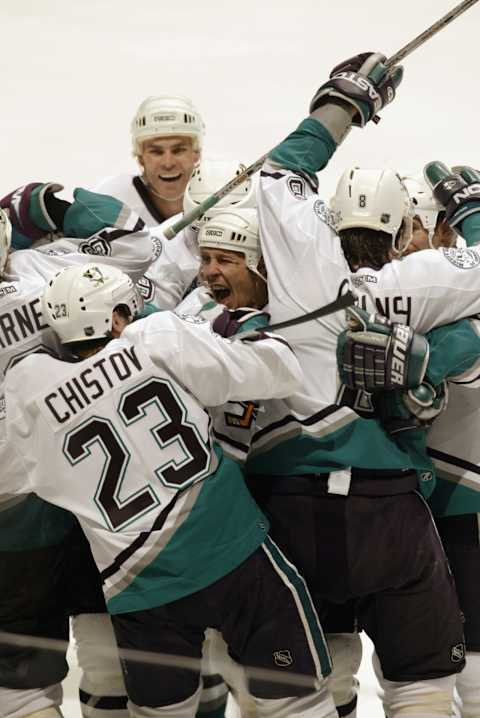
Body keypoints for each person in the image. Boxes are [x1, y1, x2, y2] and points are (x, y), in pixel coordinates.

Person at [243, 51, 477, 718]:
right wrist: (431, 355)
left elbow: (282, 174)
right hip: (393, 513)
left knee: (312, 684)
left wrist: (342, 103)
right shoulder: (424, 279)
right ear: (404, 227)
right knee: (421, 683)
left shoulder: (302, 280)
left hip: (289, 513)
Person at [0, 261, 338, 718]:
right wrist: (254, 331)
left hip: (140, 587)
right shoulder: (156, 338)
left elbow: (19, 475)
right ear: (117, 316)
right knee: (297, 700)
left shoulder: (28, 389)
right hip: (234, 556)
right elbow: (279, 371)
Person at [0, 187, 162, 718]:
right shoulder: (42, 274)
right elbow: (139, 243)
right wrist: (41, 202)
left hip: (17, 515)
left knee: (22, 681)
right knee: (107, 654)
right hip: (87, 490)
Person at [338, 166, 480, 718]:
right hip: (423, 491)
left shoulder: (304, 282)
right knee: (426, 673)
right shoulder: (429, 282)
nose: (423, 238)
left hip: (439, 488)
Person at [94, 95, 204, 224]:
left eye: (178, 150)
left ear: (196, 153)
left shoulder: (224, 199)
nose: (168, 163)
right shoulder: (111, 199)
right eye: (156, 152)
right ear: (140, 157)